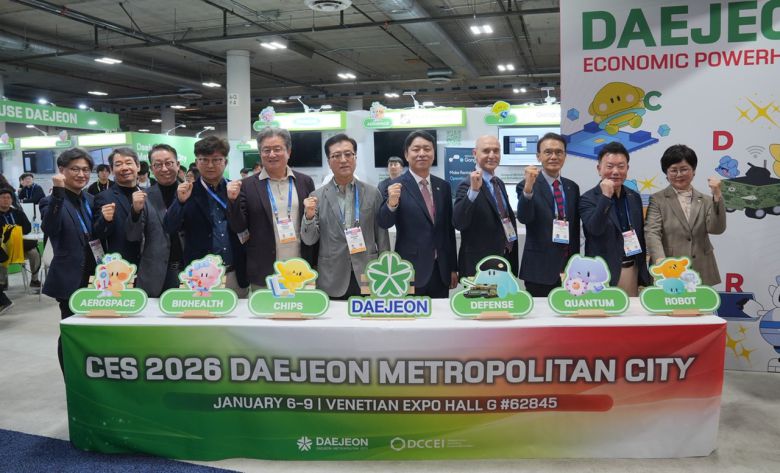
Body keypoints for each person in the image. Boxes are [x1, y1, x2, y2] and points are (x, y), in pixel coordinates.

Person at [226, 127, 316, 290]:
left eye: (277, 149)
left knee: (300, 307)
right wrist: (233, 201)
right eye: (266, 150)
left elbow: (312, 222)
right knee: (264, 307)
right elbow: (238, 227)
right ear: (260, 153)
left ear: (288, 151)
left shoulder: (305, 182)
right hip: (264, 270)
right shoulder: (247, 185)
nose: (272, 154)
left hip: (300, 267)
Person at [300, 134, 389, 299]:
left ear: (355, 158)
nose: (343, 160)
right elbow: (309, 239)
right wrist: (309, 216)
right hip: (332, 276)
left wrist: (385, 271)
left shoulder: (372, 193)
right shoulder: (316, 196)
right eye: (336, 155)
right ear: (329, 162)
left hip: (368, 273)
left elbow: (382, 237)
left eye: (348, 154)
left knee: (366, 315)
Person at [377, 130, 457, 298]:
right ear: (407, 154)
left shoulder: (443, 186)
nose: (422, 153)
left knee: (441, 314)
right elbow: (384, 222)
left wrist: (452, 267)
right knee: (413, 314)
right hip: (410, 270)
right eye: (416, 149)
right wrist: (392, 202)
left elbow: (448, 230)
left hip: (440, 270)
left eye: (427, 149)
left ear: (433, 154)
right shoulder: (395, 186)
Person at [165, 136, 248, 296]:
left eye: (216, 160)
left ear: (225, 162)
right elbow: (170, 227)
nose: (210, 165)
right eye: (204, 160)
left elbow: (244, 226)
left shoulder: (236, 189)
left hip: (235, 272)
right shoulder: (187, 191)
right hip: (201, 275)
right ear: (197, 162)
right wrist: (180, 202)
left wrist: (234, 201)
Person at [40, 148, 97, 373]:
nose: (81, 174)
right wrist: (58, 192)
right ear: (62, 170)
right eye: (75, 169)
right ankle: (71, 376)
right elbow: (50, 227)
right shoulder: (50, 201)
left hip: (96, 278)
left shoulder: (91, 199)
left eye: (85, 170)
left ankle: (89, 374)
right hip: (70, 278)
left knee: (93, 331)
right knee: (71, 333)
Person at [645, 144, 726, 286]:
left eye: (684, 169)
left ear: (693, 171)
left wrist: (717, 196)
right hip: (669, 268)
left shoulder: (707, 200)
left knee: (700, 302)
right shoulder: (657, 200)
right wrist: (661, 262)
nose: (679, 174)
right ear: (666, 173)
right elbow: (652, 232)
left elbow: (716, 229)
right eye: (673, 170)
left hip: (701, 268)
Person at [580, 142, 651, 296]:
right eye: (610, 166)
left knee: (631, 311)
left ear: (627, 169)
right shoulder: (588, 198)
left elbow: (639, 234)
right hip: (602, 273)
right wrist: (606, 196)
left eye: (621, 166)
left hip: (632, 269)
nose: (616, 171)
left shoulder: (633, 197)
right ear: (599, 169)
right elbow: (595, 229)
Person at [515, 132, 581, 296]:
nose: (554, 157)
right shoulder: (526, 185)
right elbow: (524, 217)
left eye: (559, 152)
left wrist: (576, 261)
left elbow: (574, 229)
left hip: (569, 267)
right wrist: (528, 188)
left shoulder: (572, 187)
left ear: (565, 156)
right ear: (538, 156)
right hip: (539, 269)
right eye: (548, 152)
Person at [454, 135, 519, 278]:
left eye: (496, 151)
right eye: (486, 151)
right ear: (474, 153)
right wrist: (473, 191)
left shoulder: (498, 183)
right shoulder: (467, 184)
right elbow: (458, 222)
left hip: (504, 259)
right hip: (479, 266)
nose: (492, 155)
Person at [127, 144, 185, 297]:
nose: (164, 169)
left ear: (178, 165)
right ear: (152, 169)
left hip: (190, 271)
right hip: (156, 273)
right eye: (158, 165)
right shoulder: (143, 197)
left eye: (169, 163)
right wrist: (135, 212)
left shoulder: (191, 192)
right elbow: (133, 236)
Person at [92, 148, 142, 265]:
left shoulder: (148, 194)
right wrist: (106, 220)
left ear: (138, 166)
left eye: (128, 163)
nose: (124, 168)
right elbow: (99, 234)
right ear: (112, 170)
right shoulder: (104, 198)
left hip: (149, 264)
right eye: (118, 164)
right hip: (121, 266)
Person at [0, 188, 42, 311]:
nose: (6, 200)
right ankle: (2, 283)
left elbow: (27, 228)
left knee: (34, 252)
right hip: (4, 246)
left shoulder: (17, 212)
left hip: (20, 245)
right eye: (3, 198)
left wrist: (15, 231)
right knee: (2, 258)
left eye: (8, 198)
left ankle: (34, 280)